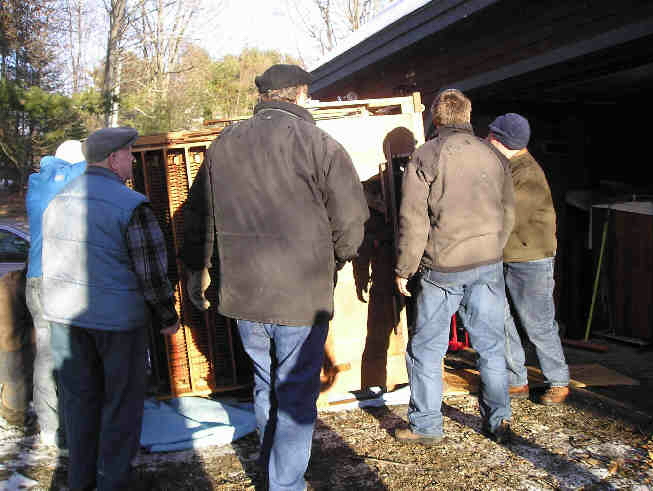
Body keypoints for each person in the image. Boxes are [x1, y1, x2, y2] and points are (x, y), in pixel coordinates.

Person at [183, 64, 368, 491]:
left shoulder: (223, 144)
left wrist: (197, 269)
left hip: (244, 293)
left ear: (264, 96)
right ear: (300, 95)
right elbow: (351, 220)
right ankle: (284, 483)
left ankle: (274, 474)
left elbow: (199, 216)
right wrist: (337, 260)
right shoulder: (320, 144)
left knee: (266, 385)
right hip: (301, 293)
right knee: (295, 393)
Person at [42, 127, 180, 491]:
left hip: (65, 321)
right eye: (130, 154)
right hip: (117, 325)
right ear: (114, 158)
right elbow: (152, 272)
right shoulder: (131, 204)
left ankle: (80, 482)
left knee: (79, 406)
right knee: (121, 408)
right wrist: (167, 316)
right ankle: (113, 482)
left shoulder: (59, 199)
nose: (133, 160)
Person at [394, 88, 515, 445]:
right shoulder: (494, 155)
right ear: (468, 115)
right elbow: (508, 211)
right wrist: (495, 246)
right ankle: (499, 420)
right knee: (491, 347)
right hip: (488, 262)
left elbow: (413, 219)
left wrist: (404, 268)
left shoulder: (426, 155)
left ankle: (426, 426)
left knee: (426, 349)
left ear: (435, 117)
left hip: (443, 269)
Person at [487, 113, 570, 405]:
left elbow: (507, 215)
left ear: (502, 141)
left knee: (538, 323)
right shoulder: (509, 166)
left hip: (530, 257)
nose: (487, 139)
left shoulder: (527, 174)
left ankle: (558, 381)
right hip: (506, 254)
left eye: (492, 136)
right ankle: (516, 379)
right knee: (500, 317)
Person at [25, 140, 87, 449]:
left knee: (45, 356)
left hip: (35, 280)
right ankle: (67, 428)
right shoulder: (66, 180)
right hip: (56, 282)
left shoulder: (37, 183)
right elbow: (92, 167)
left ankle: (49, 427)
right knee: (64, 356)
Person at [0, 266, 34, 427]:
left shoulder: (10, 281)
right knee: (16, 380)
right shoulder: (22, 286)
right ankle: (16, 418)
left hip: (8, 340)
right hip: (13, 343)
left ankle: (12, 411)